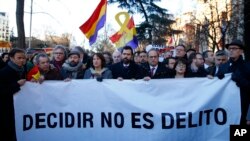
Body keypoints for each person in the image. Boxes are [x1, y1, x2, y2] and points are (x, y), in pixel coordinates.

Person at [0, 48, 27, 141]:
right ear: (11, 58)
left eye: (24, 58)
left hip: (19, 108)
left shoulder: (23, 70)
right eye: (19, 58)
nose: (22, 60)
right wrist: (17, 85)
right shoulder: (3, 72)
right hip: (6, 110)